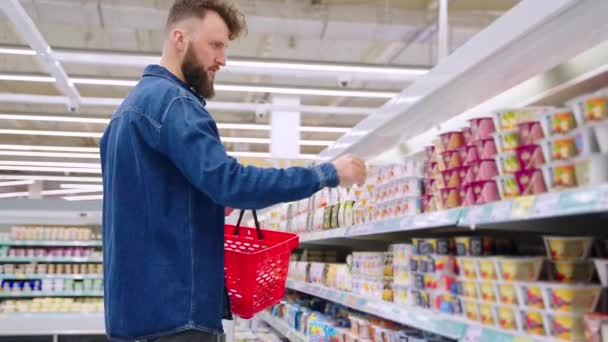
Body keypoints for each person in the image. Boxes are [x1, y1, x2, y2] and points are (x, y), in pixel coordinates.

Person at [100, 0, 367, 341]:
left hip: (134, 317)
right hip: (176, 316)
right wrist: (327, 174)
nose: (222, 59)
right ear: (179, 38)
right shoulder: (175, 103)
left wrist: (207, 203)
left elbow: (152, 201)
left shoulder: (125, 114)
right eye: (215, 45)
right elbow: (233, 183)